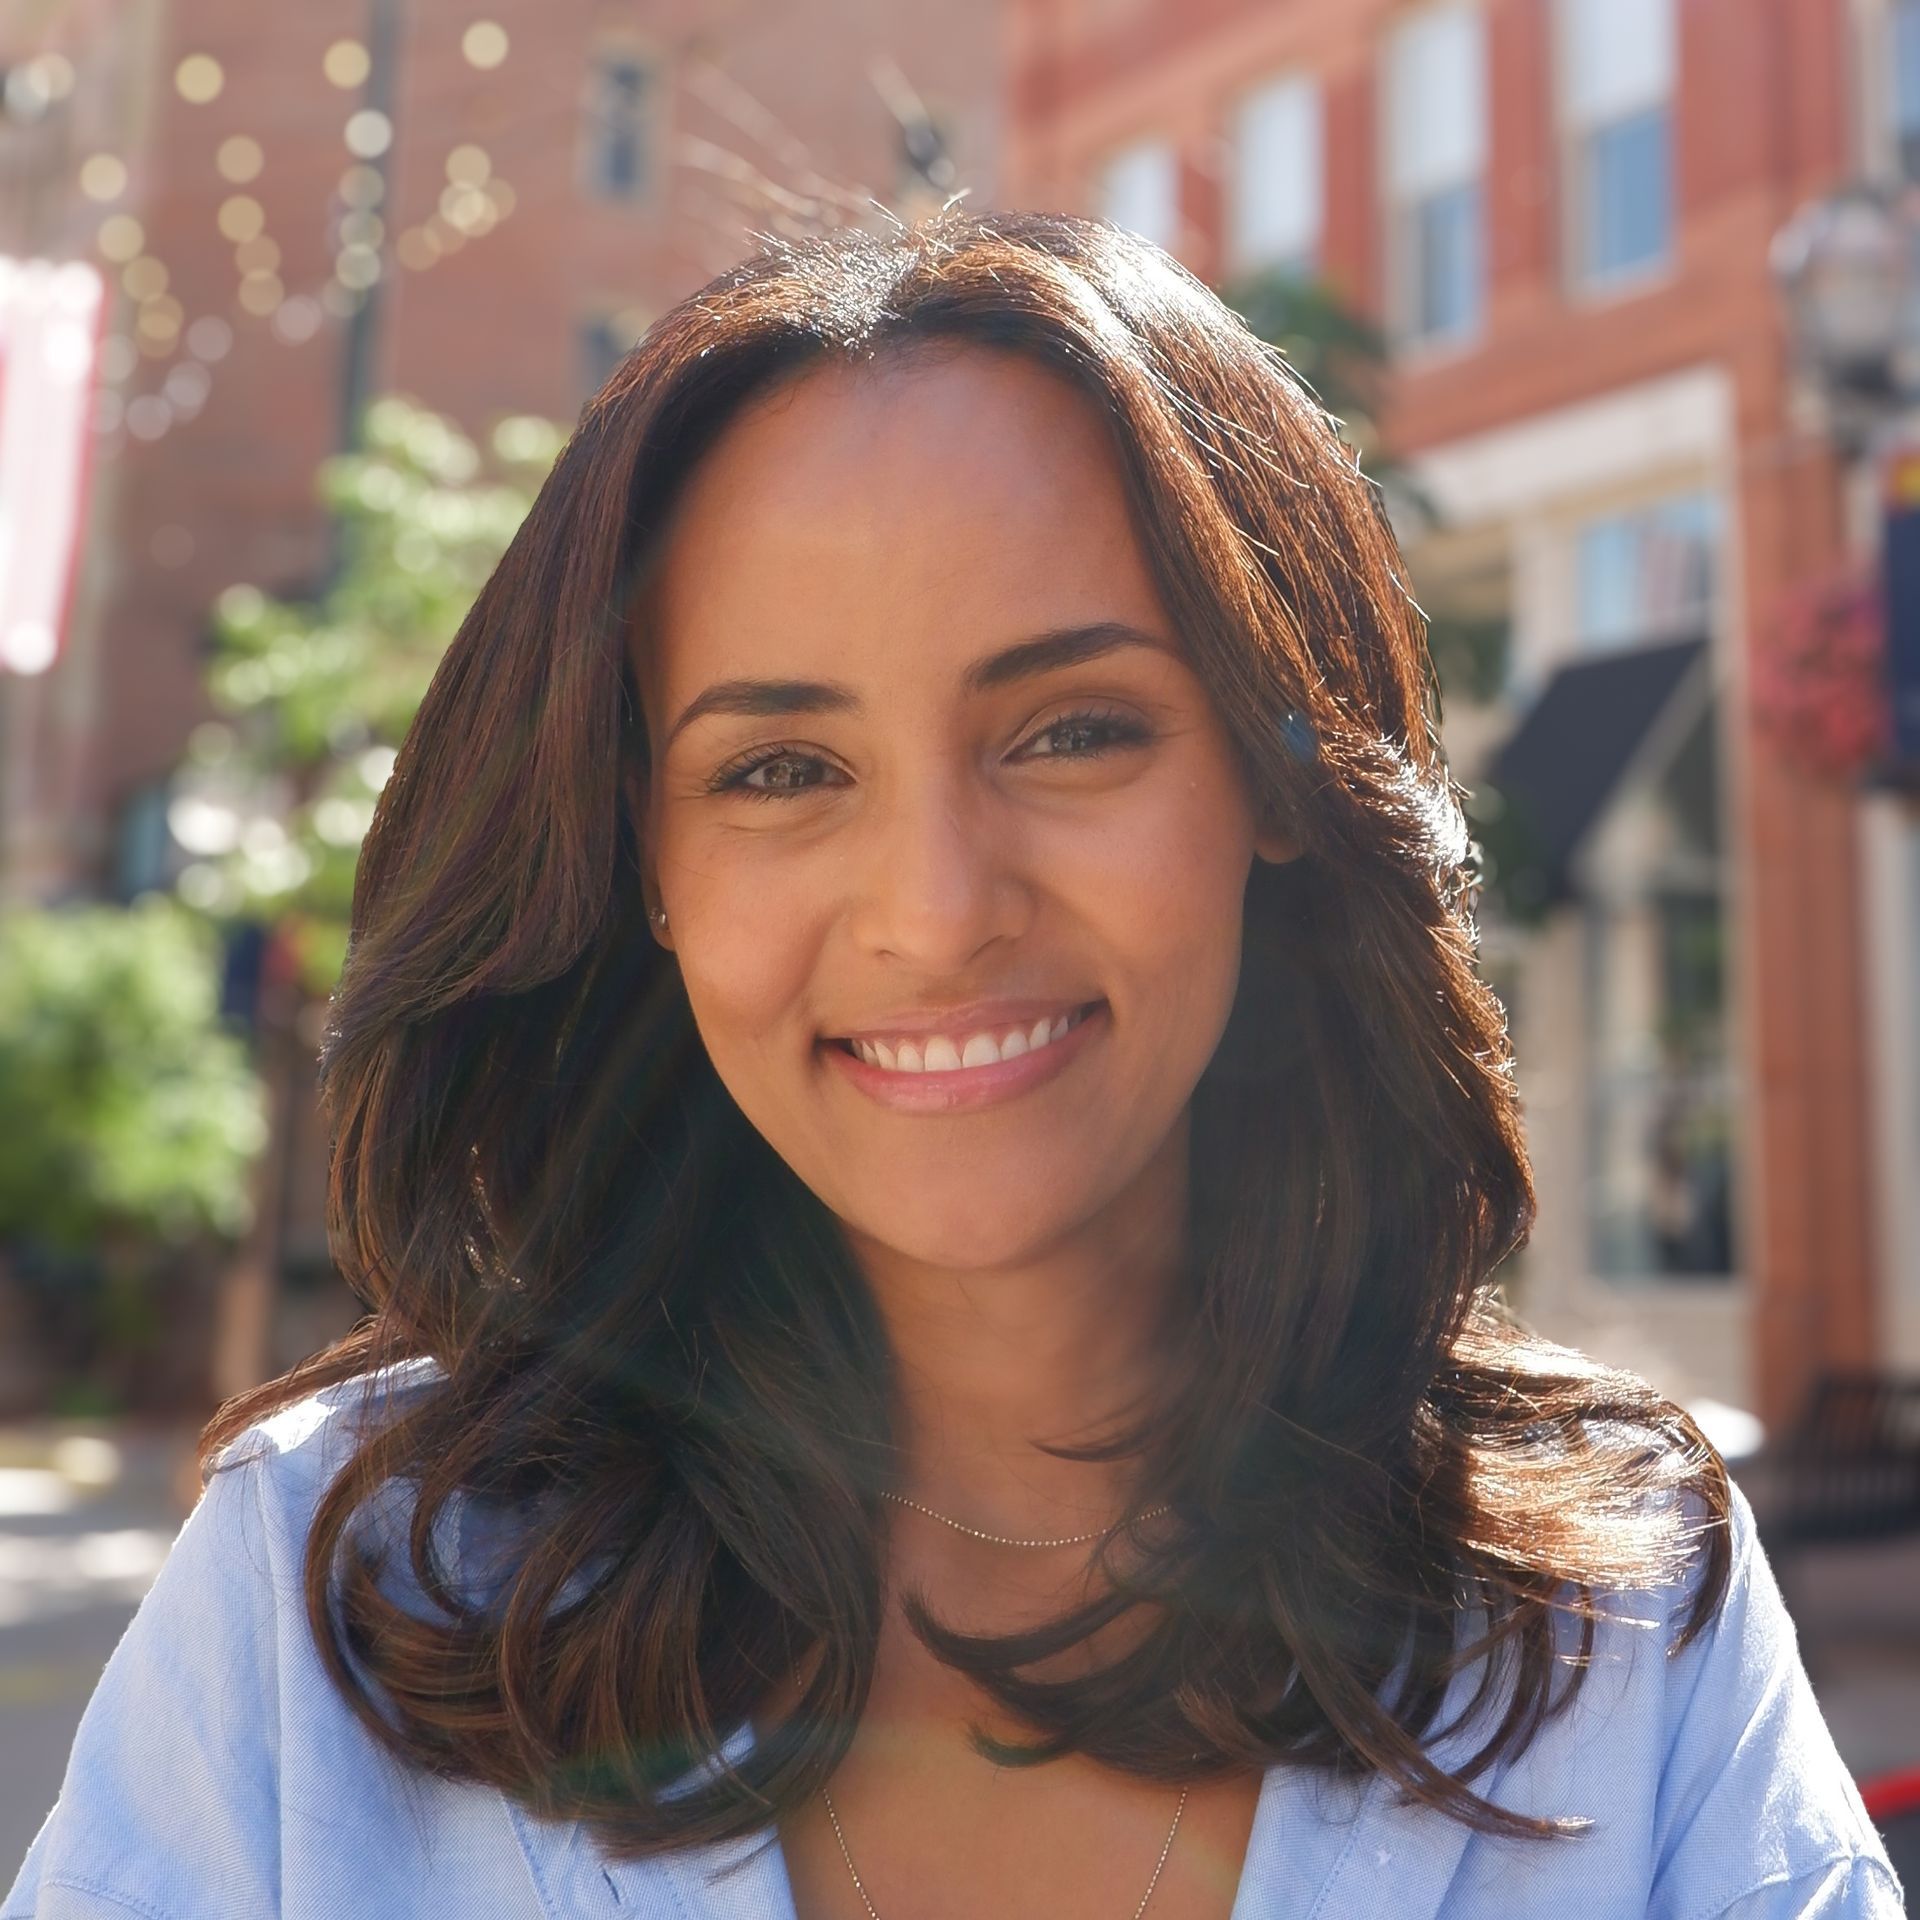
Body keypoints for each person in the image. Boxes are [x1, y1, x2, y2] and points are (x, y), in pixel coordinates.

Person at [5, 212, 1903, 1920]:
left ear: (1272, 782)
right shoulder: (333, 1598)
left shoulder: (1615, 1611)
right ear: (642, 870)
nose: (935, 910)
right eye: (778, 771)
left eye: (1075, 730)